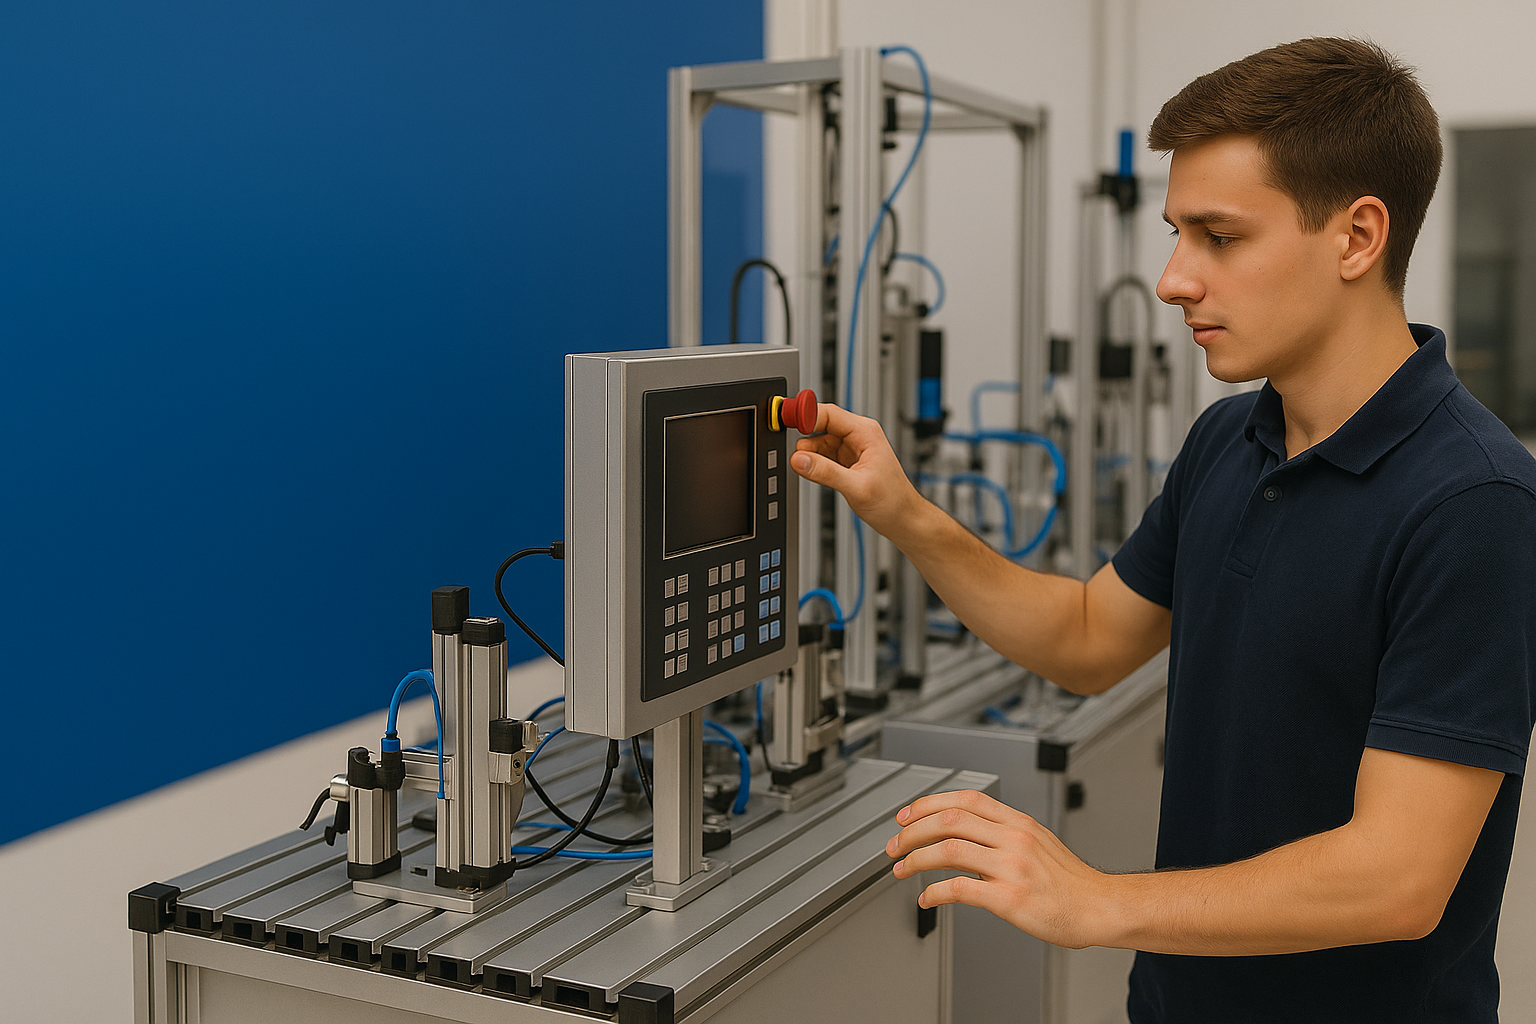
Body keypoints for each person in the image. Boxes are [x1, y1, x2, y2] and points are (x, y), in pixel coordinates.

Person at [789, 37, 1536, 1022]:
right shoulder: (1230, 437)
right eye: (1177, 233)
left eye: (1218, 237)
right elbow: (1091, 639)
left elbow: (1396, 877)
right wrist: (904, 512)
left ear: (1357, 237)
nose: (1175, 278)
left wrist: (1093, 898)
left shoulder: (1474, 502)